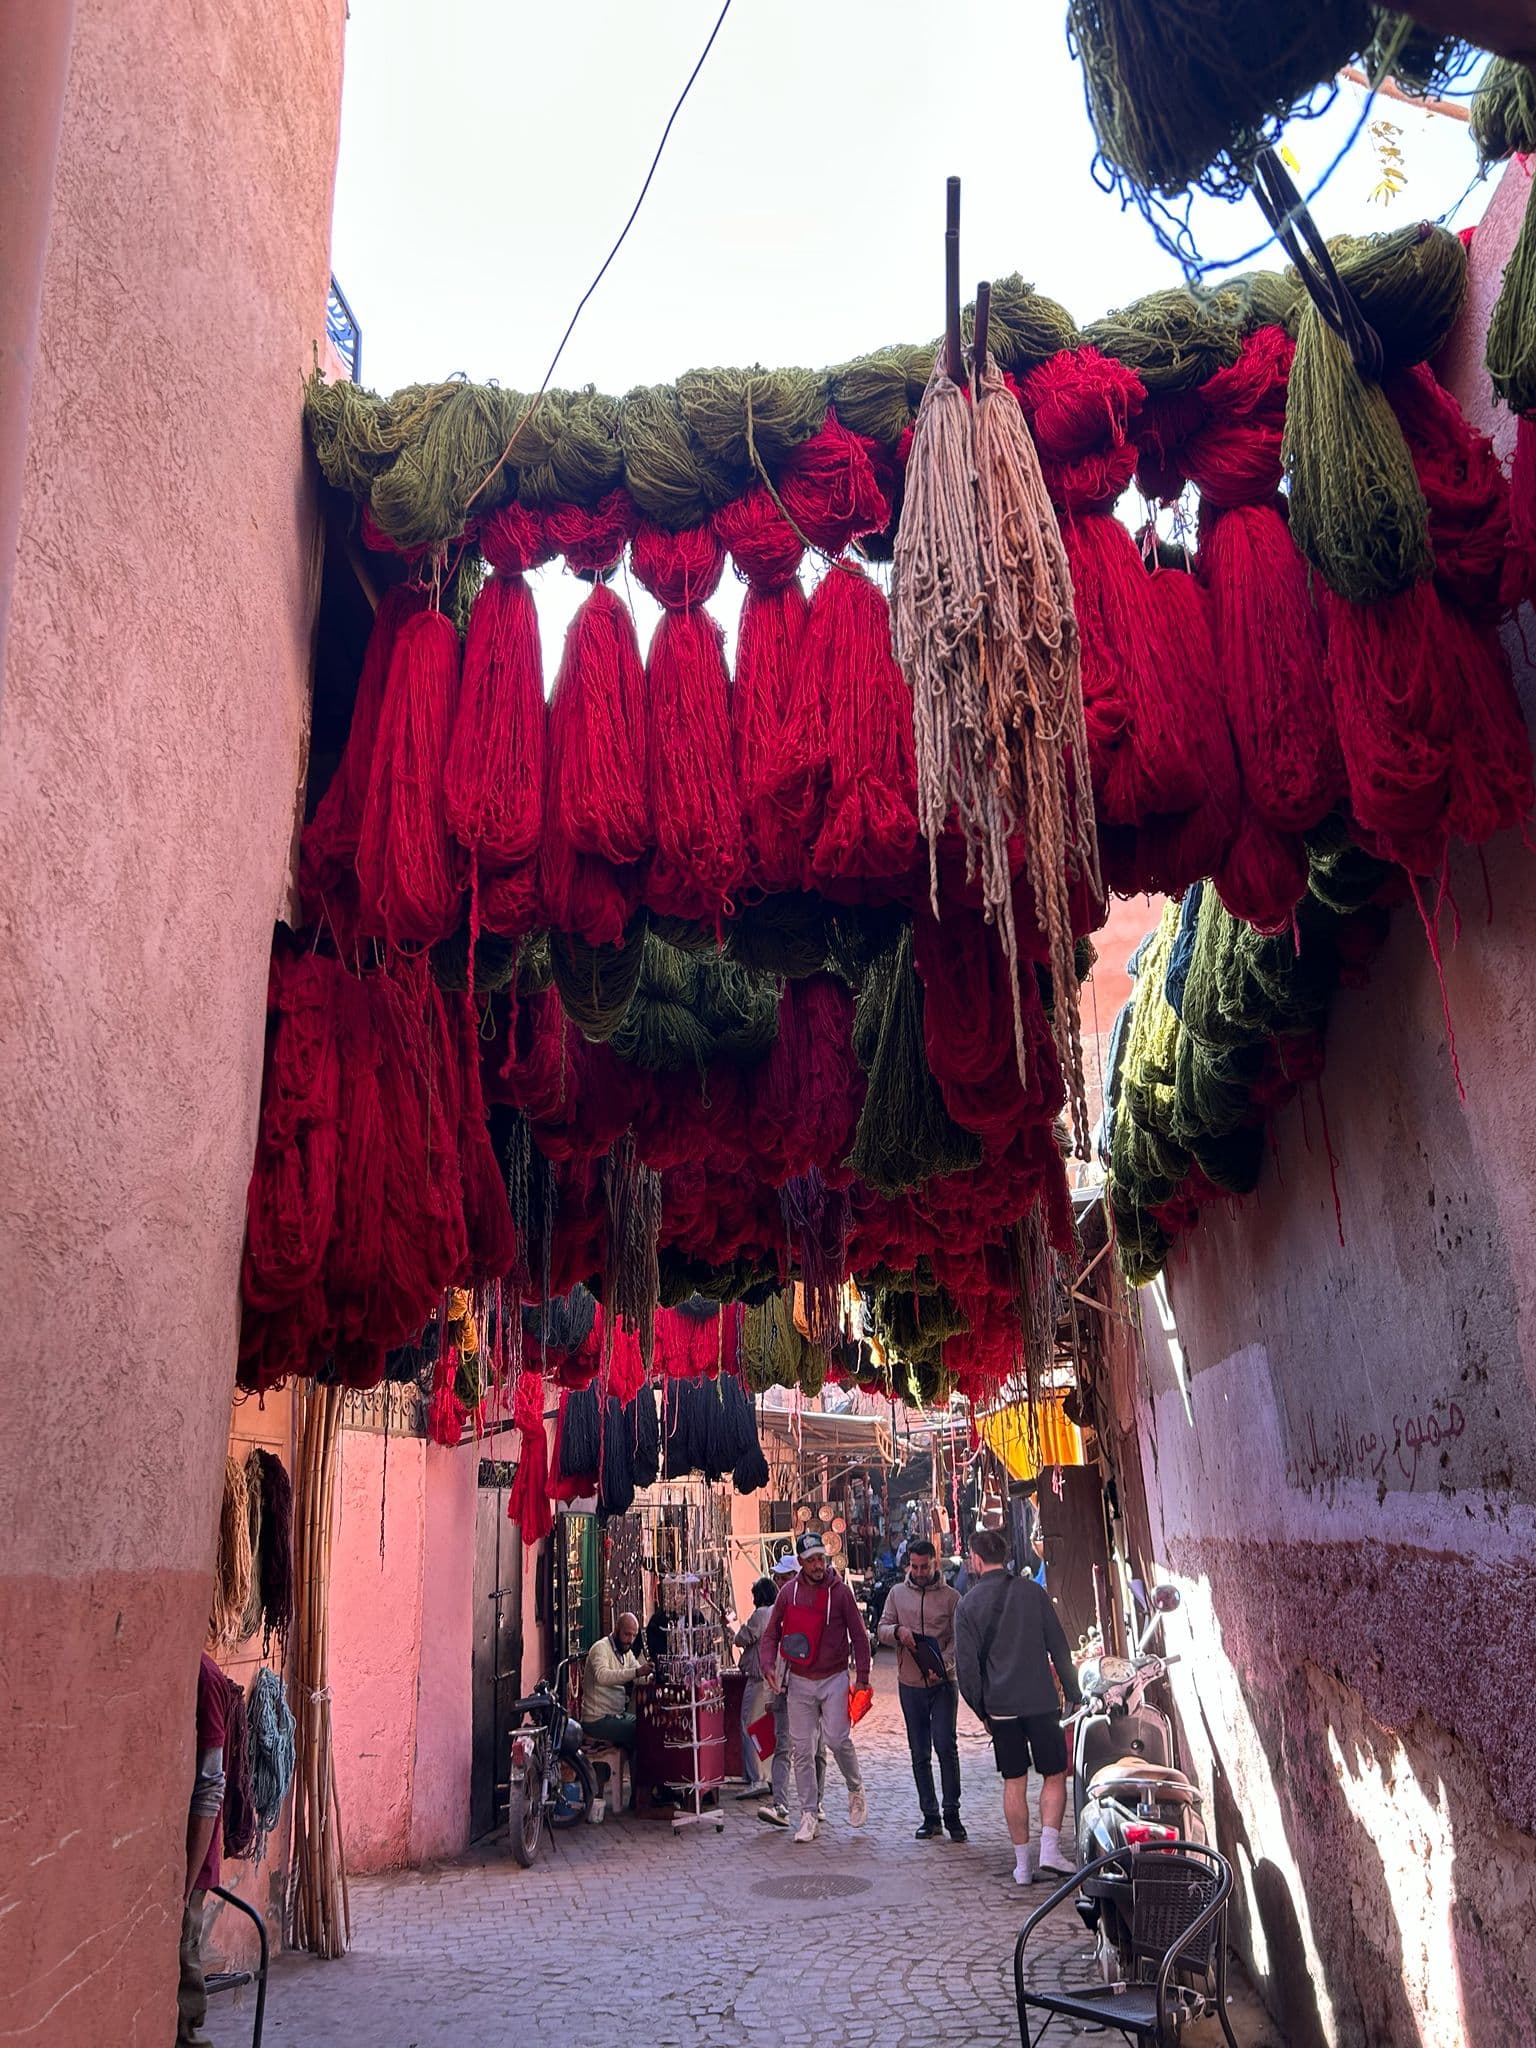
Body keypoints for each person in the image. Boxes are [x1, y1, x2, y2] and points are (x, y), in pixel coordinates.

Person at [955, 1527, 1082, 1886]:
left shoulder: (968, 1605)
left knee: (1014, 1781)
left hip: (1001, 1705)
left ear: (976, 1561)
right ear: (1007, 1556)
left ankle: (1023, 1865)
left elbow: (966, 1670)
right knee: (1054, 1773)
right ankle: (1050, 1848)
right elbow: (1059, 1646)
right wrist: (1073, 1692)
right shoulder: (1033, 1592)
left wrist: (983, 1710)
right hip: (1040, 1700)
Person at [760, 1531, 871, 1844]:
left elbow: (859, 1635)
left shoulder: (841, 1593)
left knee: (837, 1739)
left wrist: (862, 1675)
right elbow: (770, 1635)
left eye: (822, 1557)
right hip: (799, 1680)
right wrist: (768, 1665)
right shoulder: (787, 1594)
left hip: (834, 1676)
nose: (819, 1564)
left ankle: (855, 1787)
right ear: (801, 1563)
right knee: (802, 1749)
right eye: (812, 1560)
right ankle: (809, 1813)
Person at [878, 1538, 966, 1842]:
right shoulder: (896, 1594)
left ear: (934, 1562)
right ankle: (930, 1816)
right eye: (914, 1567)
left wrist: (944, 1662)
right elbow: (882, 1629)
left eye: (923, 1566)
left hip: (943, 1683)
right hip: (910, 1684)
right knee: (919, 1752)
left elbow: (959, 1637)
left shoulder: (952, 1598)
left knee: (946, 1746)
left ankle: (952, 1812)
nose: (918, 1572)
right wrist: (898, 1632)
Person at [179, 1653, 227, 2046]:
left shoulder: (207, 1680)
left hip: (189, 1865)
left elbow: (210, 1787)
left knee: (183, 1991)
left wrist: (187, 1884)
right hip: (178, 1866)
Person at [757, 1554, 826, 1829]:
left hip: (815, 1685)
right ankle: (780, 1804)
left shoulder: (819, 1604)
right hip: (785, 1687)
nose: (780, 1582)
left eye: (785, 1577)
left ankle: (816, 1802)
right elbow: (769, 1653)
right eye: (778, 1578)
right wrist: (769, 1694)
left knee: (817, 1748)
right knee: (784, 1746)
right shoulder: (777, 1612)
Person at [733, 1576, 777, 1799]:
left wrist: (737, 1627)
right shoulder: (777, 1612)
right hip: (770, 1678)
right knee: (763, 1727)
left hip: (758, 1678)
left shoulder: (761, 1614)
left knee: (748, 1724)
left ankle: (757, 1776)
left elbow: (742, 1638)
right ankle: (765, 1775)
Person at [580, 1611, 648, 1754]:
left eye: (634, 1636)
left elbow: (639, 1676)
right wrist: (637, 1672)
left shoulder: (626, 1653)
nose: (630, 1640)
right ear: (616, 1630)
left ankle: (638, 1773)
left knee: (646, 1723)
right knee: (641, 1732)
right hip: (597, 1719)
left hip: (617, 1715)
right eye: (627, 1634)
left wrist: (650, 1676)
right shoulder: (600, 1648)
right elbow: (602, 1676)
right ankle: (639, 1775)